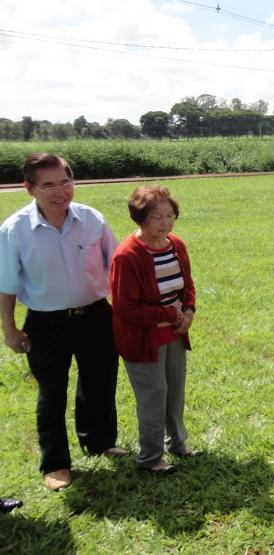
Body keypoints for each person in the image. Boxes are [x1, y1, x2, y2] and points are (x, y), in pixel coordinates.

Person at [0, 153, 128, 492]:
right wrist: (9, 329)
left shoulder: (91, 219)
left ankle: (100, 441)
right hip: (45, 324)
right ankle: (55, 464)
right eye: (49, 185)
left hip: (96, 316)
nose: (61, 191)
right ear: (29, 188)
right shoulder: (14, 230)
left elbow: (117, 266)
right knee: (51, 394)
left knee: (100, 383)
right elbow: (7, 284)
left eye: (66, 182)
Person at [110, 186, 198, 476]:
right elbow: (124, 307)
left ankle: (178, 443)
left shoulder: (176, 244)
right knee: (153, 395)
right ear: (140, 219)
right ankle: (150, 457)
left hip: (173, 333)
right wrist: (166, 313)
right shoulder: (127, 255)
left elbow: (187, 284)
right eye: (157, 217)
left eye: (170, 215)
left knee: (174, 390)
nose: (166, 223)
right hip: (142, 339)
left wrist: (188, 310)